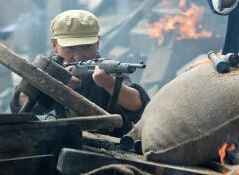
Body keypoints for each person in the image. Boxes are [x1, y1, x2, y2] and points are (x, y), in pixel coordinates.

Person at [10, 10, 150, 136]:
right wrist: (55, 86)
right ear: (54, 45)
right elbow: (18, 106)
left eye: (87, 47)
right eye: (70, 49)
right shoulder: (48, 68)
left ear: (97, 43)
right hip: (65, 144)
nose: (78, 56)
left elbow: (139, 107)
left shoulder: (106, 70)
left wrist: (110, 84)